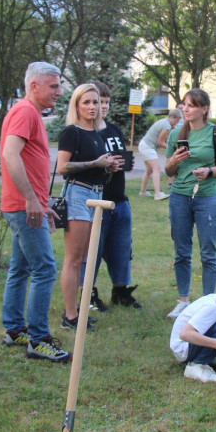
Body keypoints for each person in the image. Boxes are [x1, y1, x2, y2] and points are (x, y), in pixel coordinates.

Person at [0, 62, 71, 362]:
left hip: (27, 206)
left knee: (21, 268)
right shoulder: (26, 111)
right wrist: (30, 200)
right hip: (22, 206)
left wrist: (42, 204)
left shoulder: (31, 113)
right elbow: (9, 154)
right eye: (53, 86)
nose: (59, 91)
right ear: (34, 86)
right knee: (45, 269)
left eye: (59, 85)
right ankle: (38, 340)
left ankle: (15, 329)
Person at [163, 88, 216, 318]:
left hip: (208, 197)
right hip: (179, 197)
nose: (186, 109)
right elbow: (168, 170)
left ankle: (206, 303)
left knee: (208, 252)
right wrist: (174, 160)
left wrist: (210, 171)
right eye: (184, 104)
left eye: (192, 105)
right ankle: (183, 300)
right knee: (181, 252)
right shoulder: (176, 133)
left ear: (204, 109)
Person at [56, 83, 123, 331]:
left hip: (96, 194)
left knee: (84, 257)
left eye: (96, 102)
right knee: (74, 260)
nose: (93, 107)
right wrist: (95, 162)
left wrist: (107, 167)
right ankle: (70, 316)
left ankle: (76, 312)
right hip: (78, 193)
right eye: (86, 102)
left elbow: (96, 167)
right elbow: (63, 167)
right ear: (76, 105)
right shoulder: (71, 132)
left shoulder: (96, 133)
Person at [83, 80, 142, 310]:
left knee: (122, 249)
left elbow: (118, 156)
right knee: (93, 252)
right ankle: (88, 292)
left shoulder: (114, 129)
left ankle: (120, 290)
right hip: (96, 200)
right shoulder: (84, 132)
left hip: (119, 199)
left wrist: (126, 162)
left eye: (106, 102)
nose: (103, 106)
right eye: (99, 101)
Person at [139, 108, 181, 200]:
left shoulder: (165, 122)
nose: (177, 123)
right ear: (172, 117)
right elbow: (160, 142)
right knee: (156, 169)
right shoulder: (167, 126)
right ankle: (157, 194)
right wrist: (172, 149)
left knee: (149, 170)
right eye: (177, 121)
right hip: (147, 147)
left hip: (144, 145)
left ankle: (143, 192)